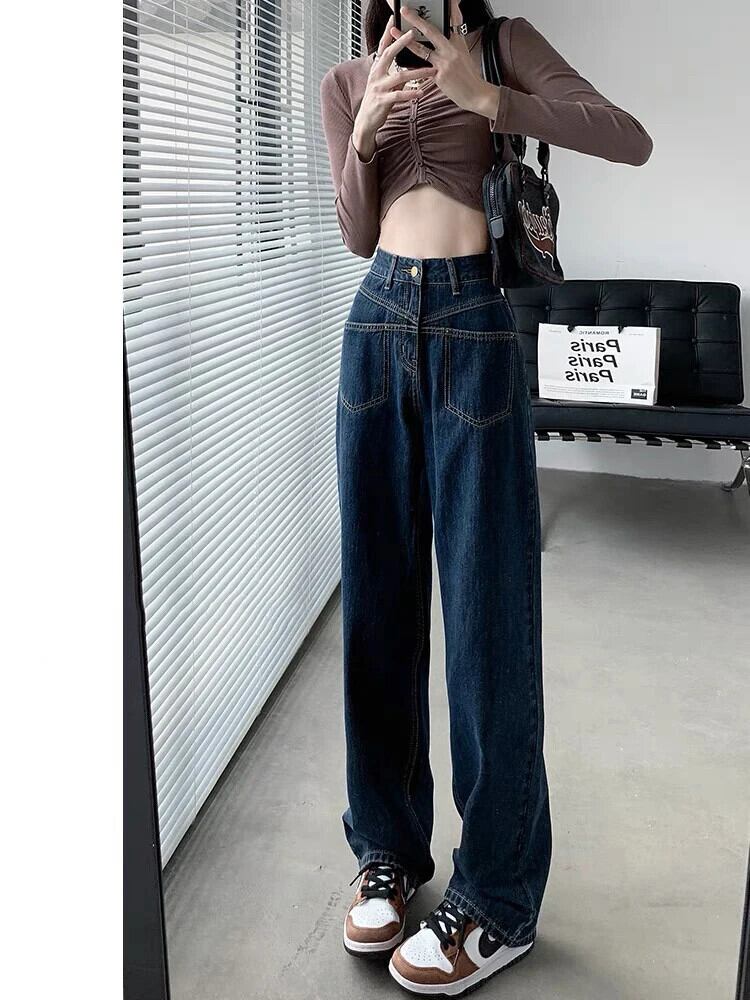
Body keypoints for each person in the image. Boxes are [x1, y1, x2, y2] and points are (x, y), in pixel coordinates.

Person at [320, 2, 652, 994]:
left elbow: (627, 137)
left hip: (475, 325)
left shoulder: (503, 43)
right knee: (375, 611)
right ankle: (387, 849)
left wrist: (488, 98)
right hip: (374, 327)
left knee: (487, 618)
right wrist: (365, 135)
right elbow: (355, 233)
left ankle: (499, 896)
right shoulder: (345, 81)